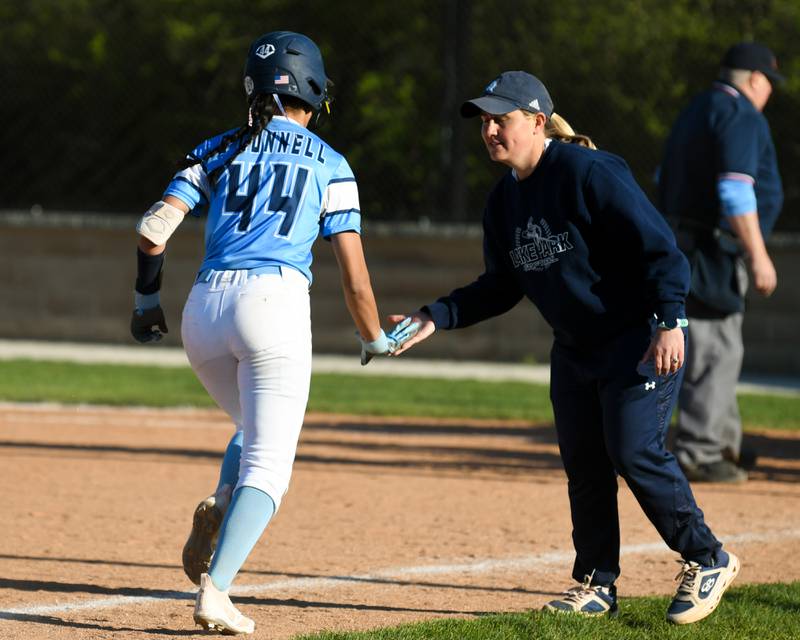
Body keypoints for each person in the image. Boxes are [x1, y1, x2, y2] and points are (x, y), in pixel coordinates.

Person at [387, 71, 738, 624]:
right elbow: (501, 285)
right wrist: (437, 315)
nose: (490, 129)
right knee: (585, 468)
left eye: (501, 118)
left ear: (536, 121)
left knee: (633, 450)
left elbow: (663, 252)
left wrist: (672, 320)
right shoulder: (503, 202)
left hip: (639, 340)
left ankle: (707, 557)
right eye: (484, 121)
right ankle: (597, 584)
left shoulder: (589, 172)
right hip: (575, 350)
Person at [130, 31, 392, 635]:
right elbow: (355, 279)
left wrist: (147, 300)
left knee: (253, 429)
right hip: (272, 303)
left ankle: (223, 500)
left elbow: (153, 231)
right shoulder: (331, 163)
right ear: (315, 89)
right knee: (270, 467)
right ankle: (216, 591)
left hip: (203, 309)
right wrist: (373, 337)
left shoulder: (218, 148)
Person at [658, 42, 784, 483]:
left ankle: (724, 440)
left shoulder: (698, 109)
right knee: (715, 349)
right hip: (711, 249)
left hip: (684, 242)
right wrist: (759, 254)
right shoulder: (739, 114)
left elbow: (662, 178)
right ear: (754, 79)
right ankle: (701, 450)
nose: (770, 91)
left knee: (719, 345)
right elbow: (735, 191)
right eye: (770, 81)